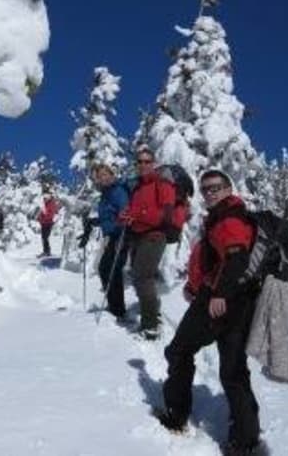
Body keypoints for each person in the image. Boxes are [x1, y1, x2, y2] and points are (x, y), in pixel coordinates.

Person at [157, 169, 264, 456]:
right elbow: (218, 260)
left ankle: (176, 414)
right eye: (205, 189)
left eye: (216, 187)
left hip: (221, 301)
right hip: (242, 301)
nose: (210, 192)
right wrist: (196, 285)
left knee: (179, 351)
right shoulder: (230, 215)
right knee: (233, 370)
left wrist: (219, 293)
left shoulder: (228, 218)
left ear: (229, 188)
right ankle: (246, 440)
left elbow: (237, 257)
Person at [119, 146, 175, 340]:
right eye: (139, 162)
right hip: (139, 237)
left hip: (155, 236)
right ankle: (151, 313)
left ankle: (150, 326)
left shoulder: (162, 184)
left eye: (147, 161)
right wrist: (125, 217)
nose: (143, 165)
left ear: (153, 164)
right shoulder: (138, 188)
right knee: (138, 277)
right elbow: (133, 215)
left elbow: (167, 215)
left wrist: (138, 216)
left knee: (143, 277)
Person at [79, 163, 130, 319]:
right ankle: (115, 306)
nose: (102, 178)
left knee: (112, 270)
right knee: (105, 269)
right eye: (99, 176)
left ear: (112, 174)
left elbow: (125, 211)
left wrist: (120, 228)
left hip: (122, 234)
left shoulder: (118, 191)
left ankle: (119, 310)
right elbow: (107, 217)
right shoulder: (105, 195)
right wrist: (93, 222)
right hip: (112, 235)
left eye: (105, 174)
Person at [37, 187, 59, 257]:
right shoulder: (45, 202)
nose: (45, 197)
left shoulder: (51, 203)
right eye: (44, 195)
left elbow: (50, 213)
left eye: (46, 195)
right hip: (44, 222)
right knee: (44, 237)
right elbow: (42, 212)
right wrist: (39, 218)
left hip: (48, 222)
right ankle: (45, 251)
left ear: (50, 195)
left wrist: (44, 215)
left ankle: (47, 252)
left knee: (45, 237)